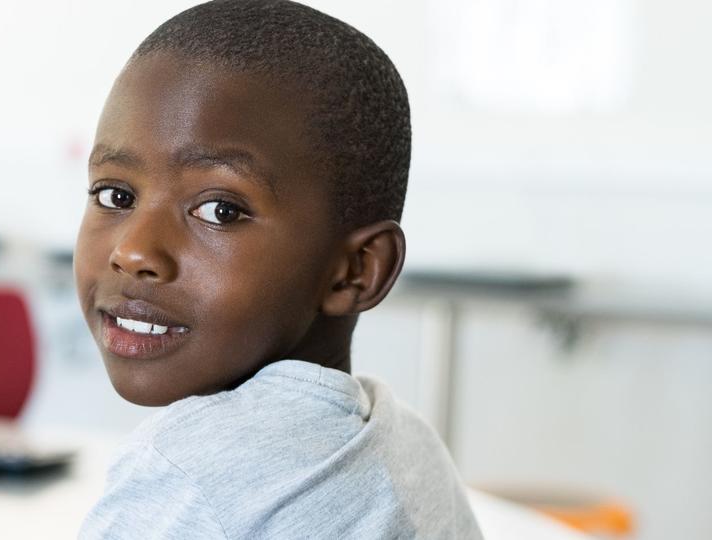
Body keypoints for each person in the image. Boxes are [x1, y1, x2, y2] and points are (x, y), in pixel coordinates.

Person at [74, 1, 483, 537]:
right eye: (116, 194)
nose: (134, 252)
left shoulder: (189, 473)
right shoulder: (405, 443)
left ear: (356, 270)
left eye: (220, 210)